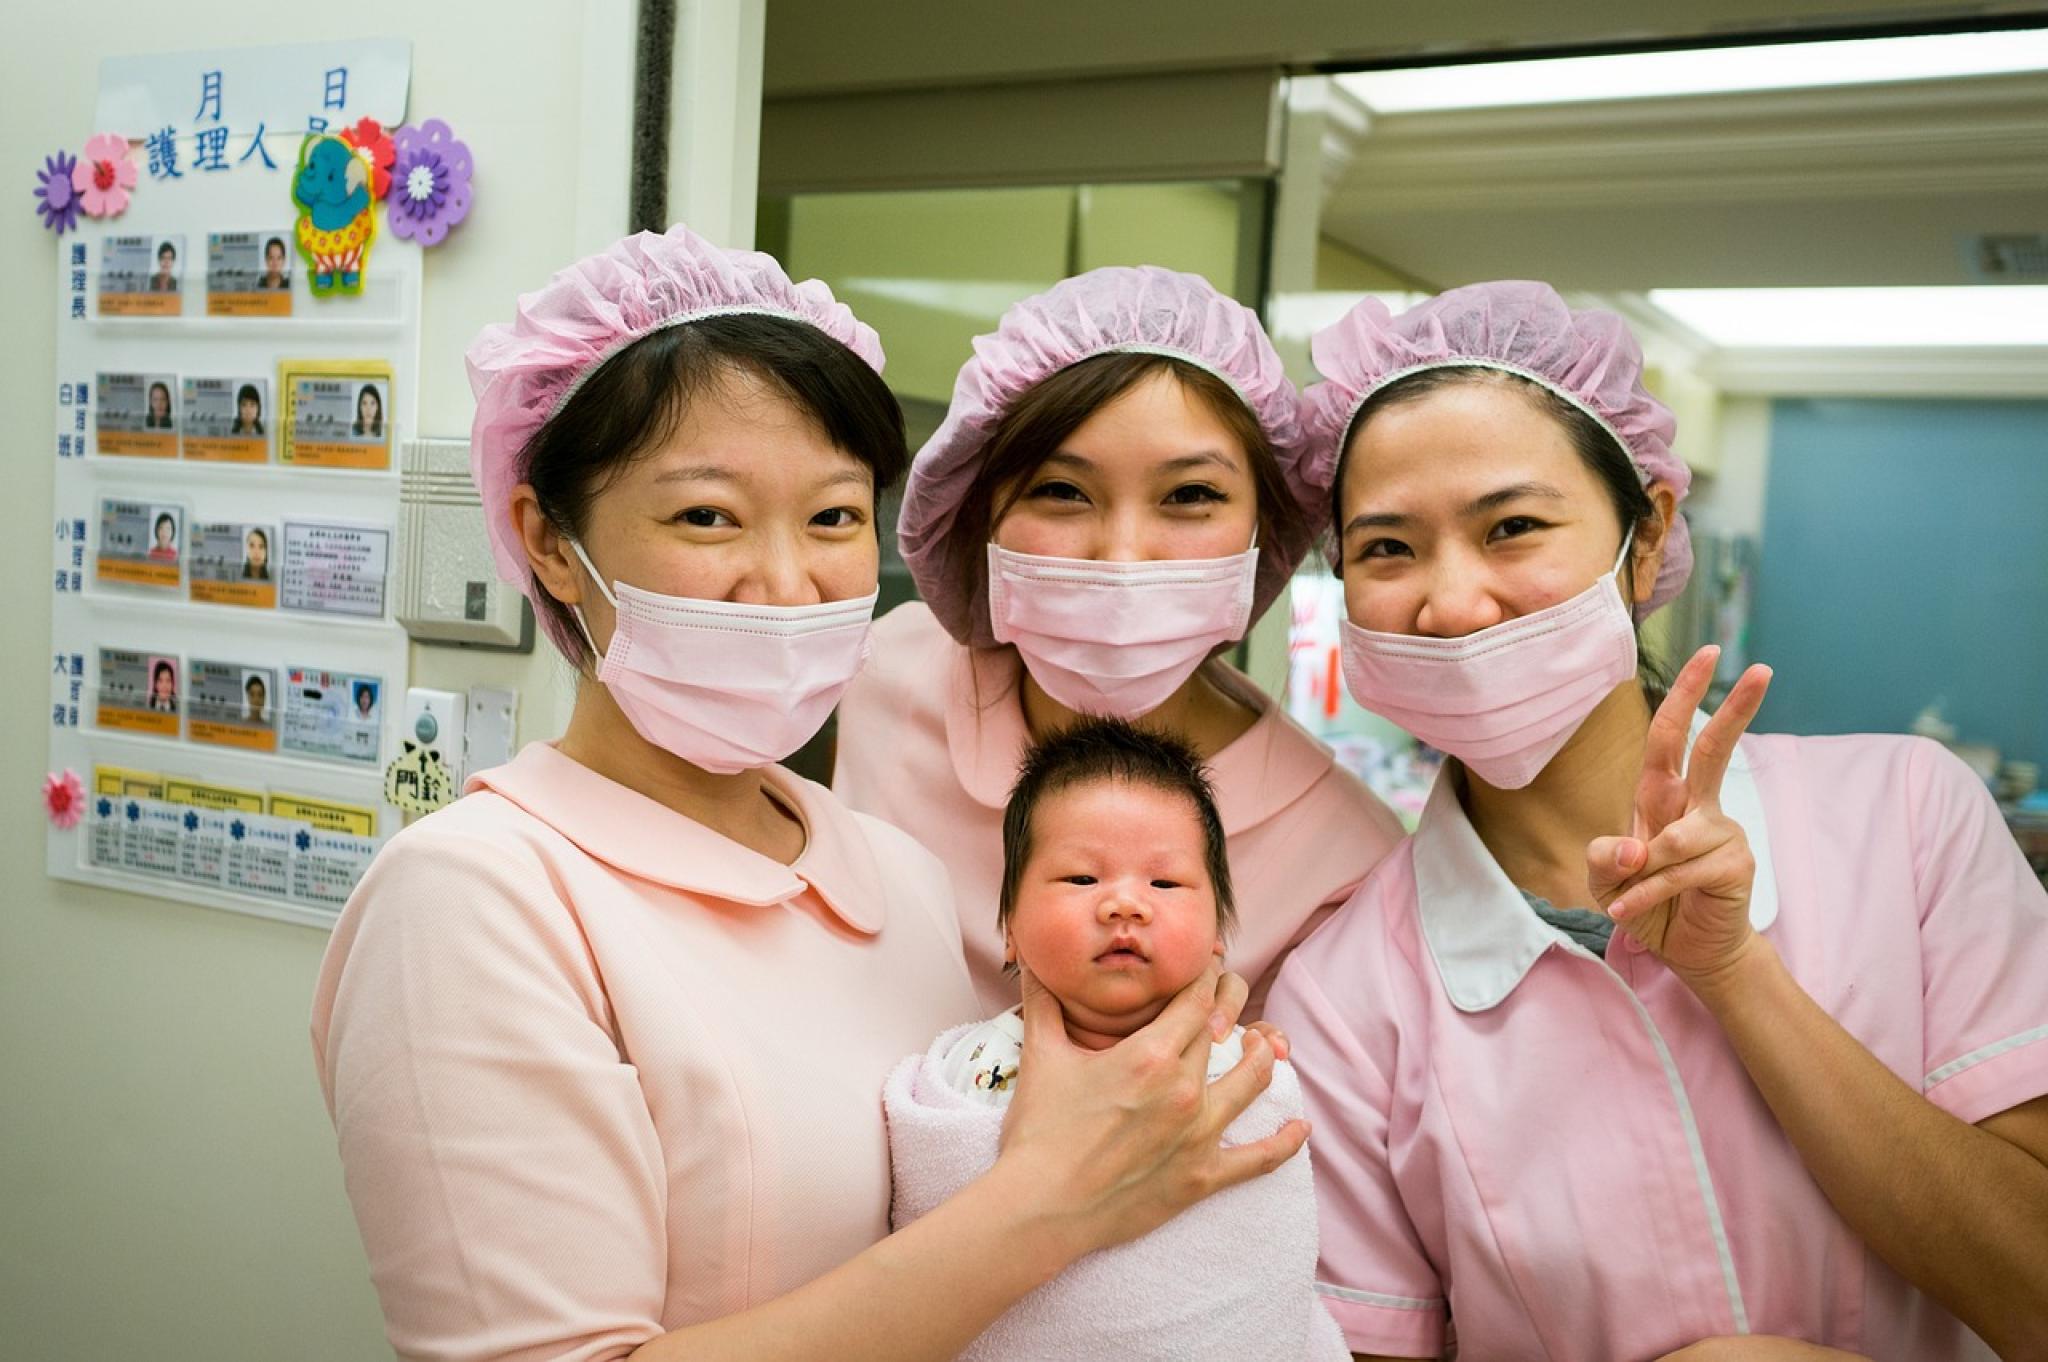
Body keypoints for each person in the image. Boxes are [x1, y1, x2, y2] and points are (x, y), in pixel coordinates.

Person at [311, 225, 1302, 1362]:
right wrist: (1049, 1207)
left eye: (833, 517)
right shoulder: (475, 898)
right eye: (705, 517)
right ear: (547, 539)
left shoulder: (895, 873)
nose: (784, 582)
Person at [1263, 282, 2048, 1362]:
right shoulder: (1343, 997)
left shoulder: (1906, 816)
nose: (1447, 603)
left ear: (1645, 538)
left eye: (1512, 527)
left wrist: (1739, 978)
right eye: (1386, 549)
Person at [834, 266, 1403, 1018]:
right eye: (1062, 491)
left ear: (1267, 531)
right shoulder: (885, 673)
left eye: (1191, 496)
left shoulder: (1341, 857)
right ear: (979, 512)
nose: (1122, 554)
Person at [885, 717, 1346, 1361]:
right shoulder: (964, 1072)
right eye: (1082, 879)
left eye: (1165, 883)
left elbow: (1269, 1243)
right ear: (1011, 930)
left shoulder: (1239, 1064)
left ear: (1220, 933)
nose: (1124, 904)